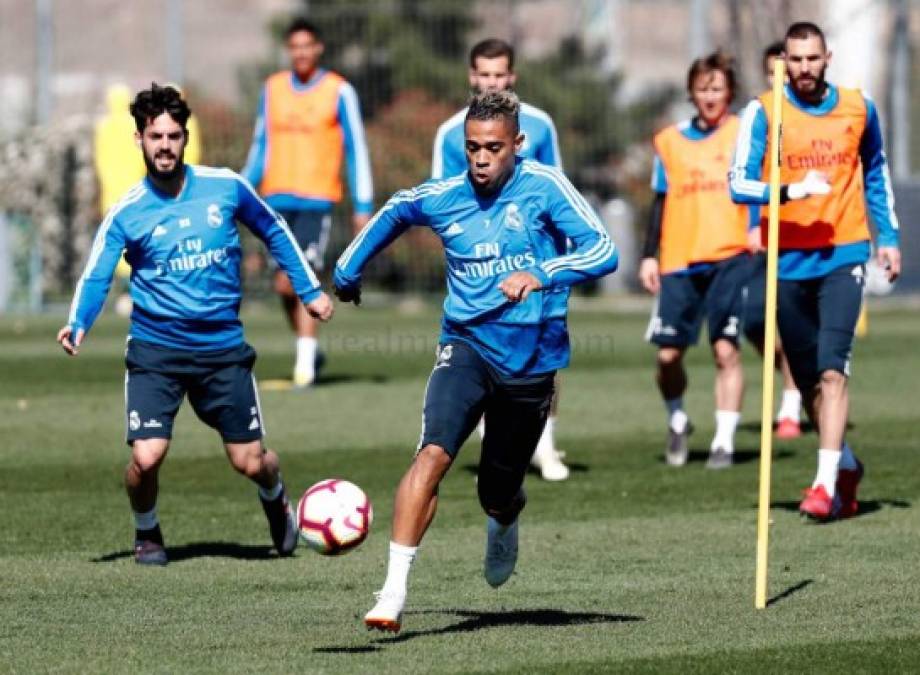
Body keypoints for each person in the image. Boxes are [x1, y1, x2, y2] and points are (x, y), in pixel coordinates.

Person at [335, 90, 617, 632]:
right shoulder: (447, 195)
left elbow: (605, 249)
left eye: (492, 148)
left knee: (497, 490)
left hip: (531, 360)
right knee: (433, 455)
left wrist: (544, 273)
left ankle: (505, 518)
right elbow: (396, 210)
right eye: (472, 148)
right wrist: (348, 271)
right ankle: (392, 594)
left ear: (517, 144)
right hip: (464, 345)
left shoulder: (546, 187)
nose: (481, 159)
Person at [58, 83, 334, 565]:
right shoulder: (128, 211)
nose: (164, 145)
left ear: (185, 138)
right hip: (155, 350)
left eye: (173, 136)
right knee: (147, 456)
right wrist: (78, 322)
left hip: (222, 349)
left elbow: (273, 228)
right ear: (139, 140)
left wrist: (309, 290)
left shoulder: (225, 186)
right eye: (154, 136)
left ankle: (275, 496)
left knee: (249, 461)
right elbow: (97, 271)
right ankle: (147, 532)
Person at [730, 22, 900, 520]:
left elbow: (876, 171)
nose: (805, 68)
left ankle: (824, 485)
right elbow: (738, 183)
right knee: (807, 382)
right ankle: (845, 464)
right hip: (788, 259)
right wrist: (787, 191)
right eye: (796, 59)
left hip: (845, 254)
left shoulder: (858, 107)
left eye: (813, 58)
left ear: (828, 58)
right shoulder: (763, 112)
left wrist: (887, 239)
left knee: (832, 369)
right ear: (784, 59)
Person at [432, 37, 568, 481]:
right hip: (481, 266)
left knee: (543, 354)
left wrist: (557, 266)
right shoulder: (451, 133)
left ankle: (545, 447)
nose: (492, 80)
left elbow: (559, 191)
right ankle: (500, 450)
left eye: (500, 74)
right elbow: (439, 200)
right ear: (473, 76)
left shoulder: (541, 125)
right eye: (484, 74)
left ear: (512, 76)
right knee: (484, 351)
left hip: (537, 264)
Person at [243, 17, 373, 387]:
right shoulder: (273, 89)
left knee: (301, 279)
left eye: (307, 45)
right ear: (289, 50)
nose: (301, 52)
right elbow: (259, 146)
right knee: (282, 285)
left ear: (318, 49)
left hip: (317, 201)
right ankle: (309, 349)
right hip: (275, 201)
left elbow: (356, 149)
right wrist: (240, 190)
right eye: (294, 46)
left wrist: (362, 204)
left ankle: (304, 368)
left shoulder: (338, 91)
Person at [640, 51, 750, 470]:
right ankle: (678, 419)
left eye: (717, 88)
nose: (710, 96)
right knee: (668, 355)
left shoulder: (743, 134)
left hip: (730, 255)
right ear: (691, 92)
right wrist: (650, 255)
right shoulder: (669, 141)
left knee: (726, 350)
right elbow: (659, 200)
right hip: (678, 259)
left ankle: (724, 440)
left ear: (729, 92)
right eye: (703, 88)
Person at [742, 40, 803, 439]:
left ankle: (792, 402)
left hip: (801, 231)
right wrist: (752, 224)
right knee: (753, 320)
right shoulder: (759, 114)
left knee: (794, 322)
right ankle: (793, 375)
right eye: (772, 69)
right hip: (764, 229)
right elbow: (749, 176)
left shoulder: (809, 116)